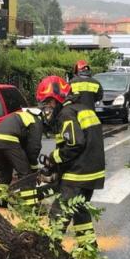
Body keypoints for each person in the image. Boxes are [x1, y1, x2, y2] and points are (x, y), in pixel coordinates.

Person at [42, 81, 106, 248]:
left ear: (56, 100)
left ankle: (49, 253)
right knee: (79, 211)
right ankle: (88, 248)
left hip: (78, 173)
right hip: (92, 172)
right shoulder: (82, 108)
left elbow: (74, 144)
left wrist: (54, 158)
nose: (46, 108)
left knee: (59, 212)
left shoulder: (66, 114)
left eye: (48, 103)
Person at [0, 107, 46, 209]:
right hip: (8, 139)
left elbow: (25, 145)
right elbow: (34, 147)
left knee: (4, 172)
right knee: (25, 174)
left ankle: (1, 203)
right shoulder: (36, 120)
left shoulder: (21, 116)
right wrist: (34, 169)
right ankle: (31, 207)